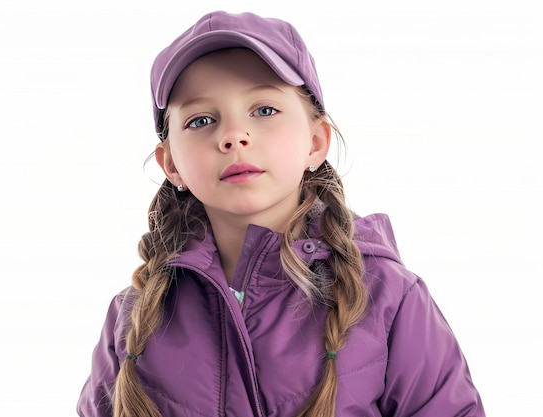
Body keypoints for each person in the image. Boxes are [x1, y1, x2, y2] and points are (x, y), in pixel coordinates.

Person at [77, 10, 485, 417]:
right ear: (171, 165)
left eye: (265, 110)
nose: (234, 136)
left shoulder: (389, 298)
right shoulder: (133, 320)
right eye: (201, 119)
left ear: (315, 141)